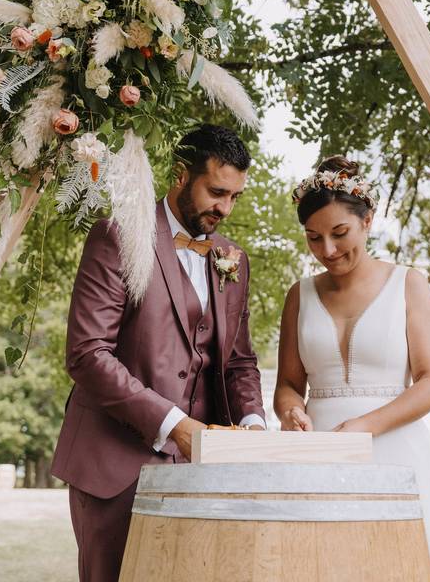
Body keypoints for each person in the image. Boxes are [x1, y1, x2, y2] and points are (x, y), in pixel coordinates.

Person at [51, 124, 266, 582]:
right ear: (180, 174)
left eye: (235, 198)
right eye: (216, 192)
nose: (225, 208)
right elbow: (88, 354)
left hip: (202, 470)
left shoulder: (233, 258)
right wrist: (174, 425)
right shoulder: (117, 235)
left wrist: (253, 425)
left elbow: (239, 361)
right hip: (114, 464)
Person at [274, 156, 430, 581]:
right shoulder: (300, 295)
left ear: (367, 220)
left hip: (395, 451)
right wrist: (290, 411)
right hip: (316, 457)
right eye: (313, 238)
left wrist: (363, 427)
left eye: (339, 233)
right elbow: (289, 385)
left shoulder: (408, 284)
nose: (327, 250)